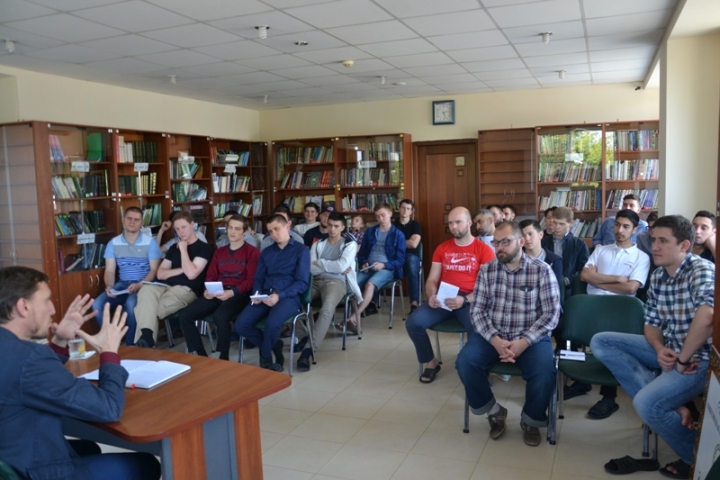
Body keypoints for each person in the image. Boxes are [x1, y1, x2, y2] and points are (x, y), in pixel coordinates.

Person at [0, 266, 161, 480]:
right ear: (23, 306)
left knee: (88, 447)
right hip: (33, 470)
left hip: (11, 456)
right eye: (46, 300)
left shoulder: (16, 353)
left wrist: (59, 341)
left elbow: (25, 378)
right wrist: (109, 353)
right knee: (147, 464)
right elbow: (108, 408)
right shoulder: (30, 358)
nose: (52, 310)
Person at [591, 215, 713, 478]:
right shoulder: (659, 276)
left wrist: (681, 359)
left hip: (698, 360)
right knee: (602, 341)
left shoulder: (701, 270)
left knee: (647, 405)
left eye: (663, 241)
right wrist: (659, 348)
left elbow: (708, 318)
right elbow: (651, 324)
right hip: (670, 350)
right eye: (654, 239)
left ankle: (694, 455)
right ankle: (673, 403)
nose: (654, 246)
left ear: (684, 245)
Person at [456, 221, 560, 447]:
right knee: (465, 362)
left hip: (530, 338)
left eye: (505, 242)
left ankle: (530, 420)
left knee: (544, 372)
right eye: (496, 242)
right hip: (494, 336)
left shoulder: (542, 270)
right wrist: (495, 340)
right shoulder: (487, 270)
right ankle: (494, 412)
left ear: (521, 242)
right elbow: (478, 312)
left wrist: (523, 342)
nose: (499, 247)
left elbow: (551, 314)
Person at [564, 210, 651, 419]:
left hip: (620, 311)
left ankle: (609, 398)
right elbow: (584, 276)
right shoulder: (601, 250)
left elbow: (631, 289)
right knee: (569, 332)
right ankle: (582, 381)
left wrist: (598, 279)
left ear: (635, 230)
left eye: (626, 227)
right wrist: (618, 279)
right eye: (617, 225)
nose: (619, 230)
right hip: (592, 307)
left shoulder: (641, 257)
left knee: (609, 347)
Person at [406, 207, 494, 383]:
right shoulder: (442, 248)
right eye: (451, 223)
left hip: (470, 298)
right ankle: (431, 362)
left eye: (458, 222)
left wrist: (465, 299)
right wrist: (431, 295)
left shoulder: (483, 250)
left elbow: (488, 287)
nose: (454, 227)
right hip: (444, 296)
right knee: (413, 323)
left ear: (469, 223)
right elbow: (431, 280)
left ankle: (476, 366)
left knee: (478, 326)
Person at [234, 213, 310, 372]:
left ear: (287, 226)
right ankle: (274, 346)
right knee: (241, 325)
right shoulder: (267, 252)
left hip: (288, 297)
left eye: (277, 229)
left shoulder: (301, 250)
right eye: (270, 231)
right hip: (265, 294)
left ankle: (266, 359)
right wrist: (256, 295)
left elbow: (302, 283)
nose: (274, 234)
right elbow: (259, 278)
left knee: (272, 324)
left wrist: (279, 296)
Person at [178, 214, 259, 360]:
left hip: (239, 294)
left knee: (220, 316)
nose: (233, 232)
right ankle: (200, 354)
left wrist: (232, 292)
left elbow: (251, 281)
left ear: (244, 232)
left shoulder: (252, 252)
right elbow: (211, 276)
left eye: (237, 229)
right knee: (185, 315)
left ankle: (223, 356)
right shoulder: (219, 252)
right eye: (230, 228)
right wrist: (207, 290)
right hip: (217, 291)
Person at [134, 211, 214, 348]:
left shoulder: (204, 248)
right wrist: (183, 268)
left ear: (192, 224)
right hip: (164, 286)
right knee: (146, 289)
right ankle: (146, 339)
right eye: (177, 229)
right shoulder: (173, 248)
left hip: (187, 290)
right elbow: (160, 274)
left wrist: (183, 250)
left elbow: (191, 275)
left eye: (183, 227)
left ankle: (144, 345)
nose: (180, 232)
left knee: (146, 310)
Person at [298, 211, 362, 371]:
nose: (332, 229)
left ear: (342, 227)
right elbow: (310, 268)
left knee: (327, 309)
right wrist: (331, 265)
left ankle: (308, 350)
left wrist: (320, 262)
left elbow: (341, 267)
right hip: (315, 281)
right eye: (330, 225)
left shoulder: (349, 244)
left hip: (337, 282)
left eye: (336, 226)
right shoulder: (318, 244)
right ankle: (305, 335)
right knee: (293, 301)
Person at [93, 207, 162, 345]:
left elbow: (154, 271)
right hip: (122, 284)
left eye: (136, 220)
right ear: (123, 220)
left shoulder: (150, 243)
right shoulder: (113, 243)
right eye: (129, 218)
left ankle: (130, 345)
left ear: (141, 222)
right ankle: (111, 341)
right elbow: (110, 271)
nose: (132, 222)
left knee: (131, 305)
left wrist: (140, 284)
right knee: (97, 305)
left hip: (143, 285)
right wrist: (109, 286)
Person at [352, 203, 406, 324]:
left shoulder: (398, 235)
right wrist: (363, 263)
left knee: (370, 285)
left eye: (383, 215)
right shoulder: (370, 232)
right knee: (352, 284)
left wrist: (383, 265)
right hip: (368, 267)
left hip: (387, 269)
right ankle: (352, 316)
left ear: (390, 214)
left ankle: (355, 316)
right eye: (377, 217)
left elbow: (400, 261)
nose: (380, 219)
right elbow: (362, 253)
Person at [540, 206, 589, 299]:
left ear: (571, 223)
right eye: (554, 222)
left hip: (570, 288)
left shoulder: (580, 245)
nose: (557, 227)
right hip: (546, 286)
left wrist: (568, 280)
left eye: (561, 224)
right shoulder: (543, 243)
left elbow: (583, 270)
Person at [518, 219, 563, 295]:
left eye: (530, 234)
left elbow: (553, 290)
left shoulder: (554, 261)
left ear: (540, 235)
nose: (527, 239)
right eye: (523, 236)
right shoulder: (516, 259)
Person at [393, 199, 422, 311]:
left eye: (408, 209)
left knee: (411, 266)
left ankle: (414, 303)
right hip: (394, 256)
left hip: (411, 256)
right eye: (403, 208)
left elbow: (414, 244)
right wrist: (406, 242)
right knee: (379, 265)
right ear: (399, 209)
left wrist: (397, 242)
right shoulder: (392, 225)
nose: (405, 211)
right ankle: (372, 303)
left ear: (411, 211)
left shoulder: (416, 225)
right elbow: (388, 244)